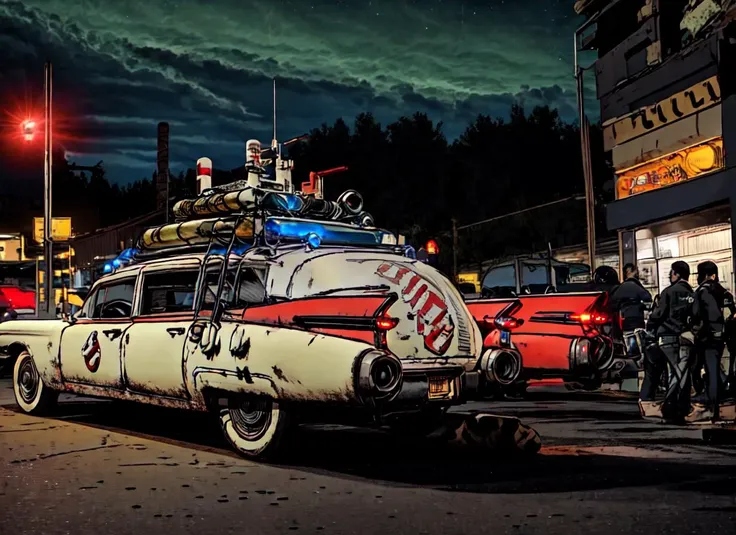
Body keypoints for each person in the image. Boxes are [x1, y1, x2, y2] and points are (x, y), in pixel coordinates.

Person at [641, 261, 695, 423]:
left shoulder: (668, 292)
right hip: (687, 337)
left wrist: (650, 330)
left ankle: (671, 408)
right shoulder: (693, 294)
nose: (669, 275)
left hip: (668, 337)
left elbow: (658, 315)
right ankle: (682, 407)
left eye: (671, 273)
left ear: (676, 274)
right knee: (682, 372)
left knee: (674, 373)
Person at [688, 261, 735, 423]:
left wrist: (697, 329)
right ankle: (722, 391)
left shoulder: (701, 291)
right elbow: (731, 313)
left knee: (707, 367)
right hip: (722, 337)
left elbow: (695, 314)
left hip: (706, 336)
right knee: (714, 365)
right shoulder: (724, 292)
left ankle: (713, 401)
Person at [610, 263, 652, 357]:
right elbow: (648, 297)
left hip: (625, 321)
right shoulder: (637, 286)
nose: (637, 272)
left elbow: (613, 304)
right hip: (638, 320)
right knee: (640, 345)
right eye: (635, 270)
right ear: (630, 271)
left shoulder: (619, 288)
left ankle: (632, 358)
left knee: (629, 344)